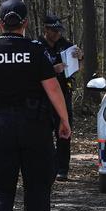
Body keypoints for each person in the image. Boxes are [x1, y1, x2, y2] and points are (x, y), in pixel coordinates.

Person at [0, 0, 72, 211]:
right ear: (25, 23)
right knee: (37, 186)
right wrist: (64, 121)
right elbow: (52, 88)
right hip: (35, 126)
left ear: (0, 23)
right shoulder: (36, 51)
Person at [38, 14, 83, 181]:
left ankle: (62, 169)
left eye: (59, 31)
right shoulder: (37, 46)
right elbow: (32, 71)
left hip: (64, 94)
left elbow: (77, 66)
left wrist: (80, 57)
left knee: (64, 133)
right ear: (46, 30)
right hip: (42, 97)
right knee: (43, 135)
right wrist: (52, 69)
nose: (58, 34)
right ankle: (46, 167)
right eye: (54, 31)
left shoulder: (66, 45)